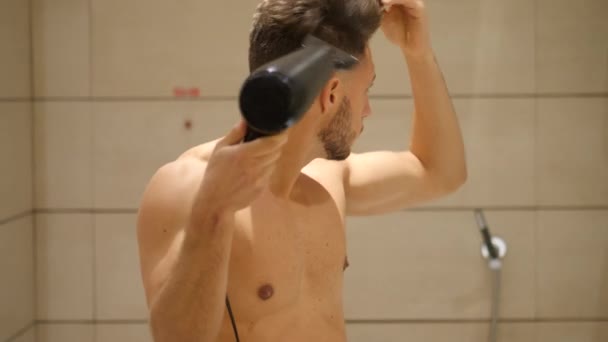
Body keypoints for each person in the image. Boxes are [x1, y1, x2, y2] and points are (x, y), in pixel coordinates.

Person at [136, 0, 467, 341]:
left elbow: (439, 170)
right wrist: (214, 213)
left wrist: (419, 54)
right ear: (331, 94)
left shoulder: (327, 182)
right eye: (366, 90)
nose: (368, 110)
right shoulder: (190, 187)